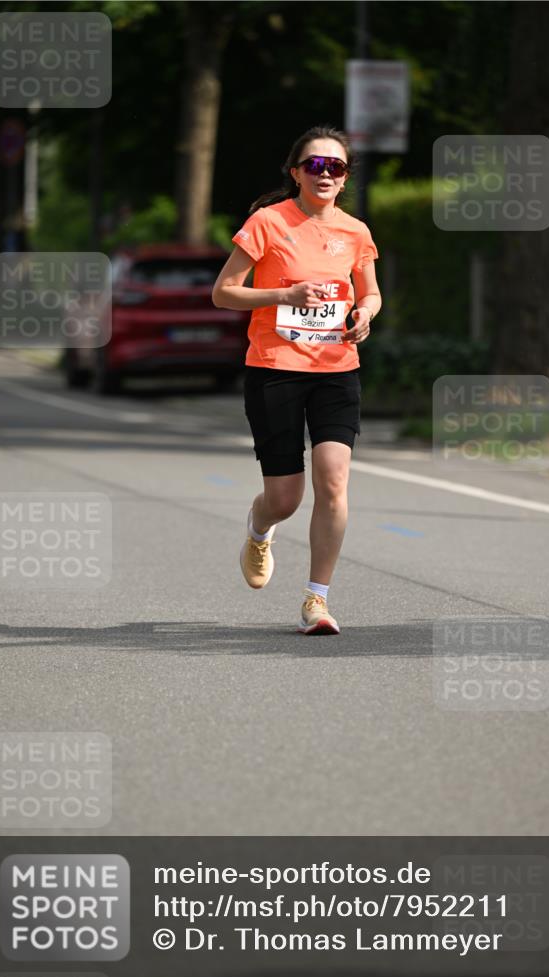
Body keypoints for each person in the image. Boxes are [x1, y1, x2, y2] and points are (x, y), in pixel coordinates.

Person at [212, 124, 381, 635]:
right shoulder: (268, 223)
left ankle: (317, 599)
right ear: (296, 172)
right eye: (315, 165)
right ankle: (260, 530)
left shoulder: (356, 231)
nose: (326, 173)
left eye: (336, 167)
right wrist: (282, 297)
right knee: (286, 497)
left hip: (335, 370)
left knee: (333, 480)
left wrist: (365, 315)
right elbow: (223, 292)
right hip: (274, 369)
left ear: (346, 177)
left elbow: (370, 293)